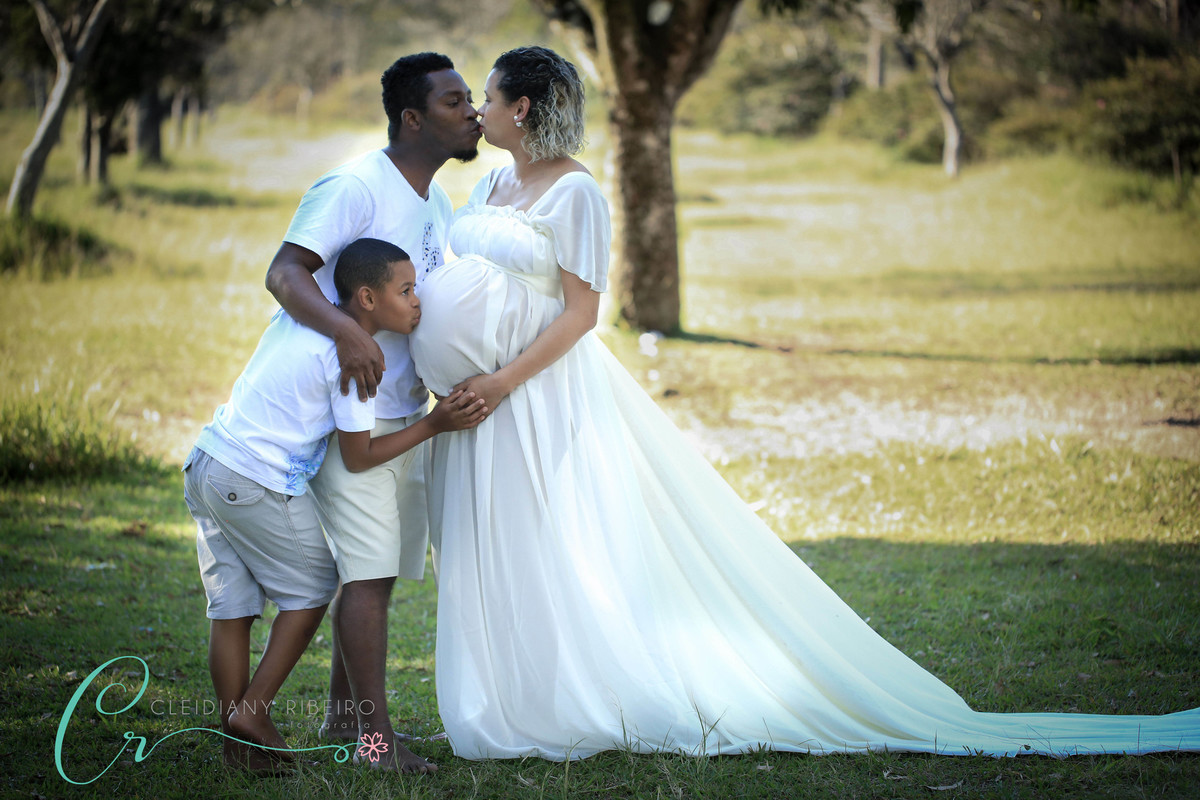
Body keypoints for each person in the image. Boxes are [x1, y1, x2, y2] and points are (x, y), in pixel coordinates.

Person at [408, 45, 1200, 761]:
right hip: (473, 407)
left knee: (543, 540)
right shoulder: (492, 181)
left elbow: (582, 313)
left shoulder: (577, 192)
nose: (477, 110)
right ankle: (507, 696)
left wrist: (503, 380)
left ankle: (567, 699)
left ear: (523, 108)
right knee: (487, 543)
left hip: (533, 397)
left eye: (488, 97)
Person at [184, 239, 486, 774]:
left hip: (208, 461)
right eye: (406, 290)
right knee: (313, 588)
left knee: (233, 608)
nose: (417, 301)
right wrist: (435, 423)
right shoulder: (358, 362)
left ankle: (239, 747)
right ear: (367, 298)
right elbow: (359, 455)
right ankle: (252, 714)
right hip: (253, 479)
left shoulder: (299, 321)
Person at [264, 52, 481, 773]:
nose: (473, 112)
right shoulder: (355, 185)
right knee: (366, 578)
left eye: (471, 99)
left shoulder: (436, 203)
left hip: (406, 412)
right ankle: (375, 744)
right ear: (412, 118)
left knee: (376, 575)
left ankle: (342, 719)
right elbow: (285, 272)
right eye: (454, 102)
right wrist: (348, 332)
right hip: (353, 415)